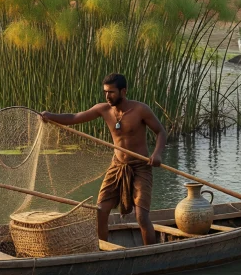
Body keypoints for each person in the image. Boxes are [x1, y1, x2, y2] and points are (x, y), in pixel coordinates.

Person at [40, 73, 166, 245]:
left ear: (123, 91)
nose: (107, 96)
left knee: (141, 216)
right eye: (105, 92)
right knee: (100, 210)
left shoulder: (140, 110)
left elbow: (161, 132)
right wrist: (51, 116)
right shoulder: (104, 109)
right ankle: (103, 250)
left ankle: (150, 253)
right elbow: (74, 117)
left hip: (140, 167)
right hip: (117, 165)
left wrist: (157, 154)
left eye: (111, 92)